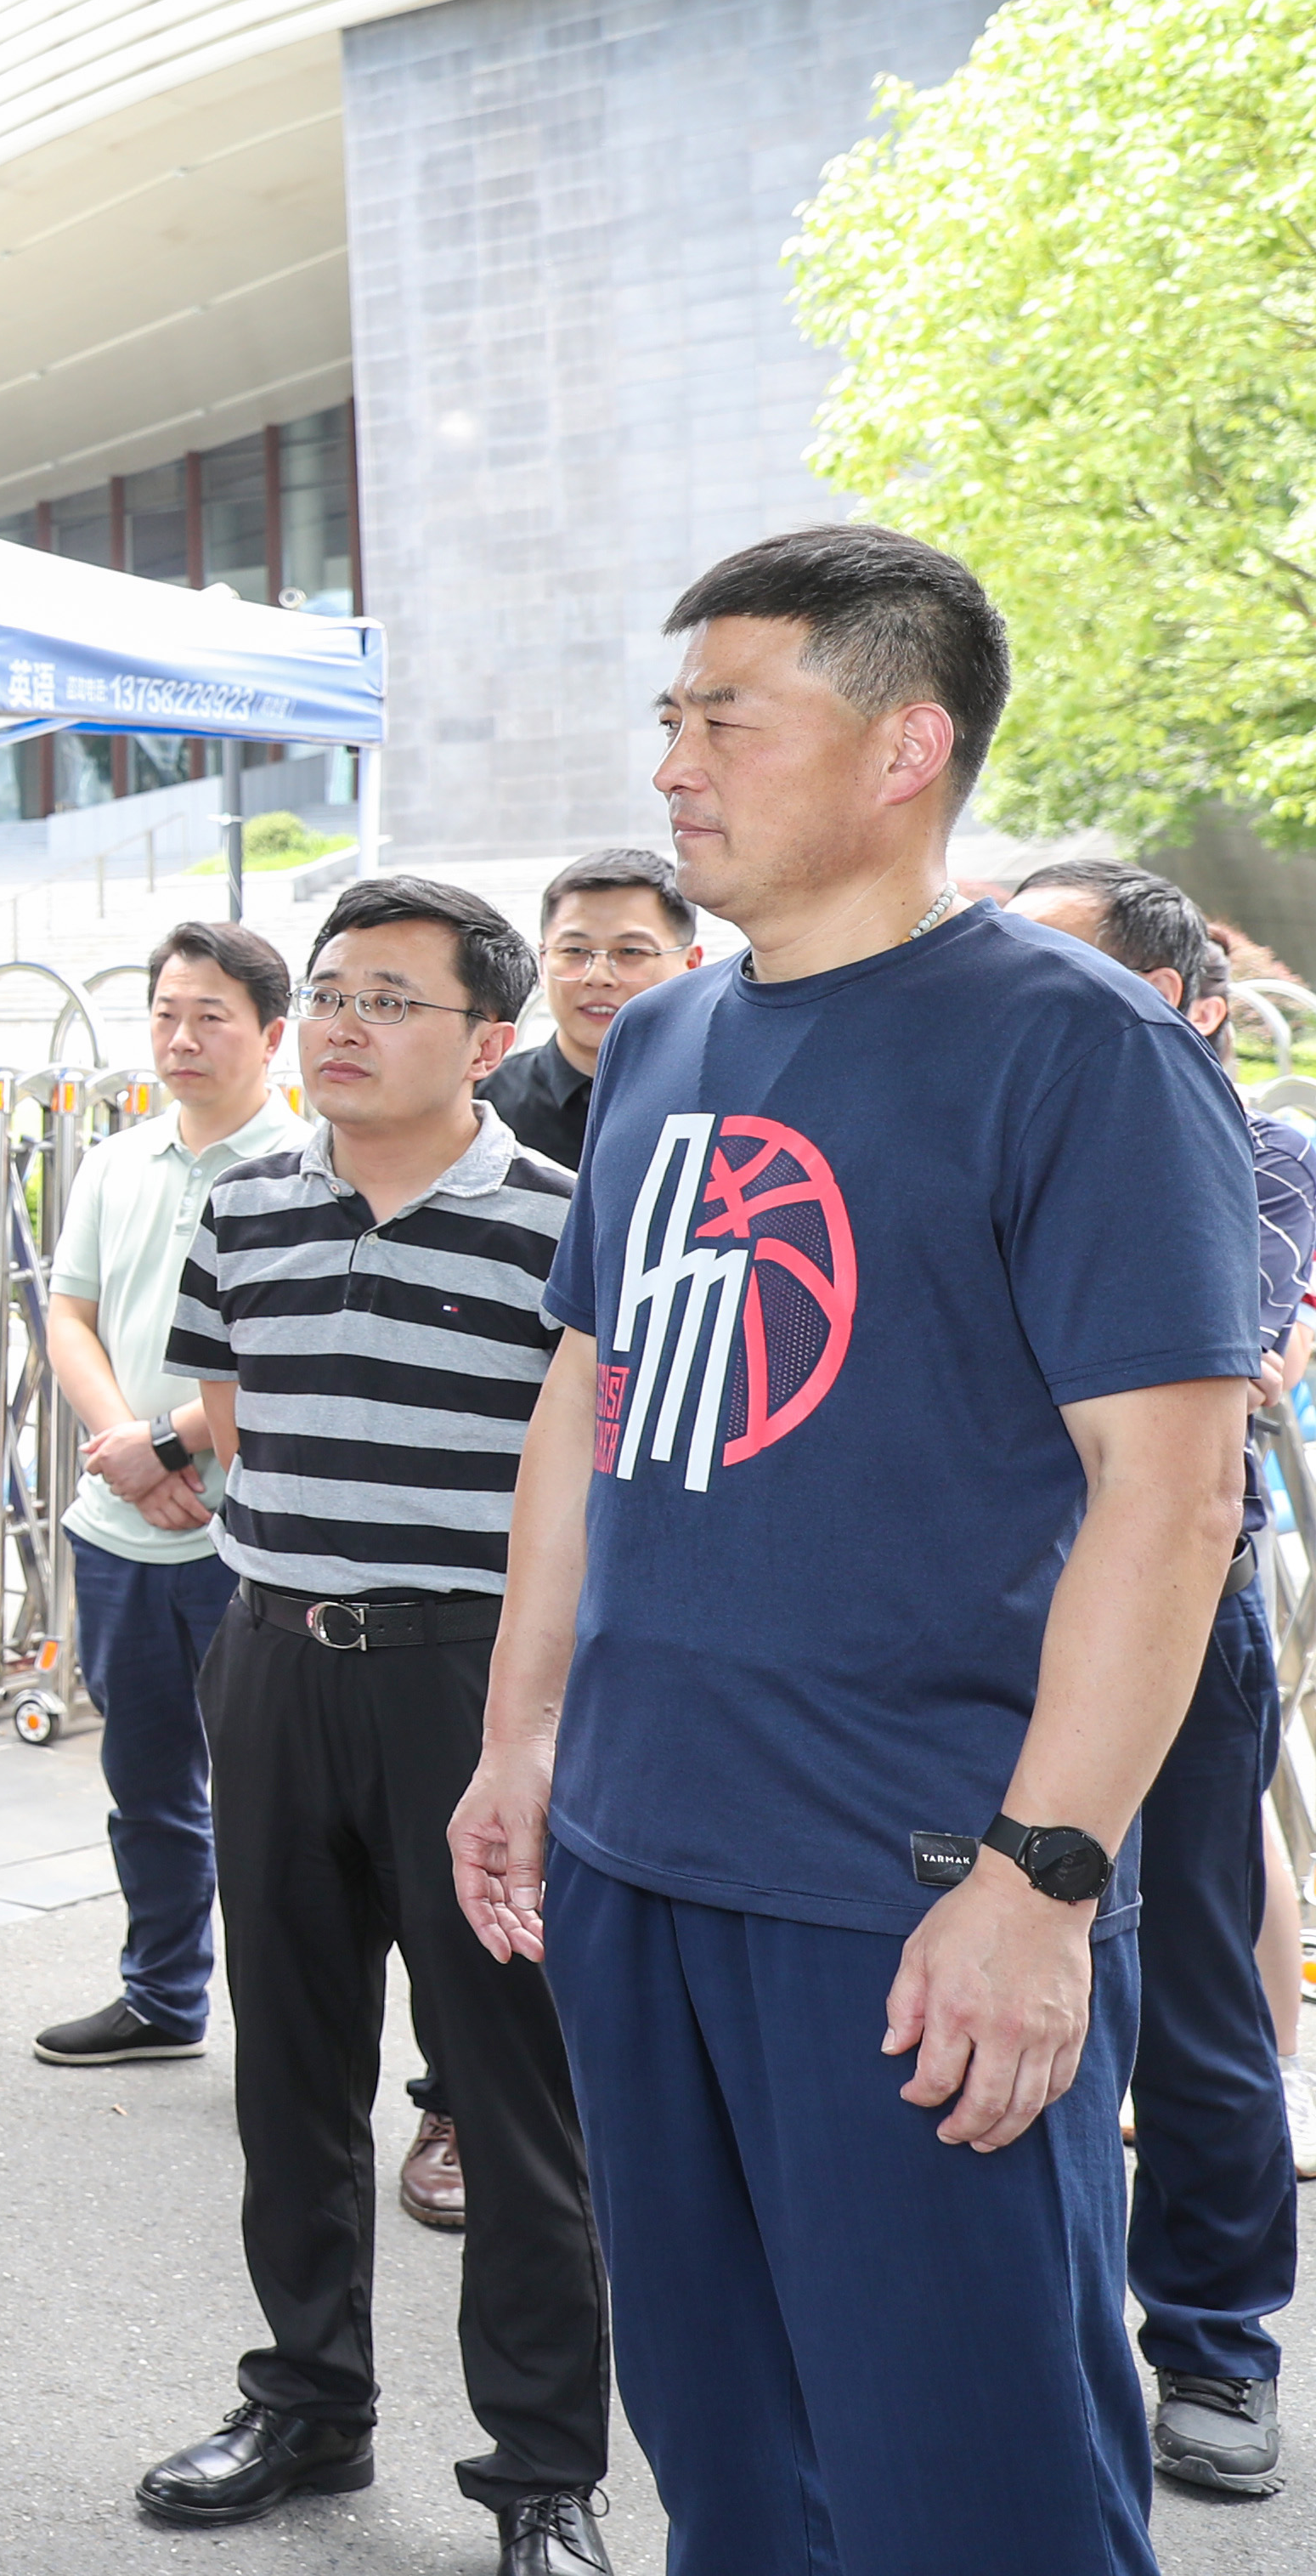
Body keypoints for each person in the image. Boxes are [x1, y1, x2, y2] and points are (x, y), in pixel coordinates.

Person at [450, 524, 1257, 2576]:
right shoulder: (660, 1043)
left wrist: (1041, 1880)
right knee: (727, 2466)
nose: (672, 765)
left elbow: (1170, 1497)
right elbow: (589, 1404)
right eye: (669, 717)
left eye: (727, 718)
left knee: (973, 2488)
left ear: (905, 747)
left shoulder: (1079, 1049)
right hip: (637, 1858)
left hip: (909, 1891)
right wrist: (521, 1737)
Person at [146, 877, 610, 2573]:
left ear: (488, 1040)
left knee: (511, 2090)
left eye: (389, 999)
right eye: (332, 991)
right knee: (290, 2066)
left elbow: (595, 1487)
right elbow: (228, 1418)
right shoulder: (245, 1202)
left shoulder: (563, 1225)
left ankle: (545, 2468)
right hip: (272, 1659)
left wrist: (529, 1716)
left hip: (471, 1681)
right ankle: (308, 2400)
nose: (341, 1023)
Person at [1008, 859, 1300, 2497]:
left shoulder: (1251, 1147)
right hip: (982, 1620)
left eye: (1067, 969)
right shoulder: (981, 1122)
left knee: (1188, 1984)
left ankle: (1212, 2337)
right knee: (996, 1969)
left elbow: (1237, 1357)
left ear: (1182, 1003)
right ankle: (1019, 2338)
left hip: (1176, 1612)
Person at [25, 924, 303, 2075]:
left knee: (274, 1804)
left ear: (272, 1036)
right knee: (145, 1788)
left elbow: (293, 1349)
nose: (181, 1038)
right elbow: (70, 1314)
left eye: (211, 1017)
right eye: (166, 1014)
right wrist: (121, 1449)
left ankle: (290, 2035)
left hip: (249, 1538)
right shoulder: (117, 1160)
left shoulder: (309, 1167)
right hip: (118, 1530)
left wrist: (165, 1442)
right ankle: (162, 1995)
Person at [477, 849, 703, 1169]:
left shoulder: (733, 1096)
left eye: (631, 951)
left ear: (691, 964)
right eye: (574, 950)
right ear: (543, 962)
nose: (598, 976)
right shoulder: (476, 1106)